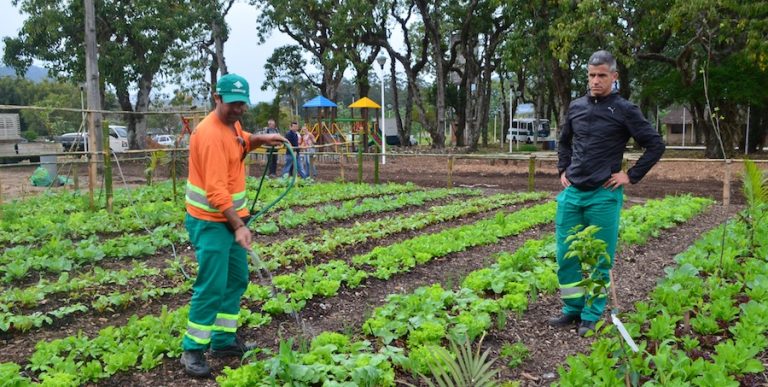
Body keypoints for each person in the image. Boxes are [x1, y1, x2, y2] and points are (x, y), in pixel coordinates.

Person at [550, 50, 665, 337]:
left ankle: (591, 314)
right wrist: (563, 170)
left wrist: (630, 175)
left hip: (603, 194)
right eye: (591, 75)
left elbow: (655, 144)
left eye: (602, 75)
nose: (596, 81)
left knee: (601, 259)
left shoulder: (625, 110)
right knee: (566, 255)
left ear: (614, 77)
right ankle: (572, 309)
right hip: (573, 194)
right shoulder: (576, 107)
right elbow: (563, 143)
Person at [181, 73, 287, 377]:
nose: (238, 109)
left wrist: (259, 139)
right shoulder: (210, 135)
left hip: (228, 220)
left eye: (243, 103)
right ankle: (192, 349)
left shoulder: (232, 125)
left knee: (237, 279)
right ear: (217, 99)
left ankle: (223, 340)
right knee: (211, 284)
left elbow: (239, 142)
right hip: (211, 222)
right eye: (232, 104)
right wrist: (239, 225)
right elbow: (215, 192)